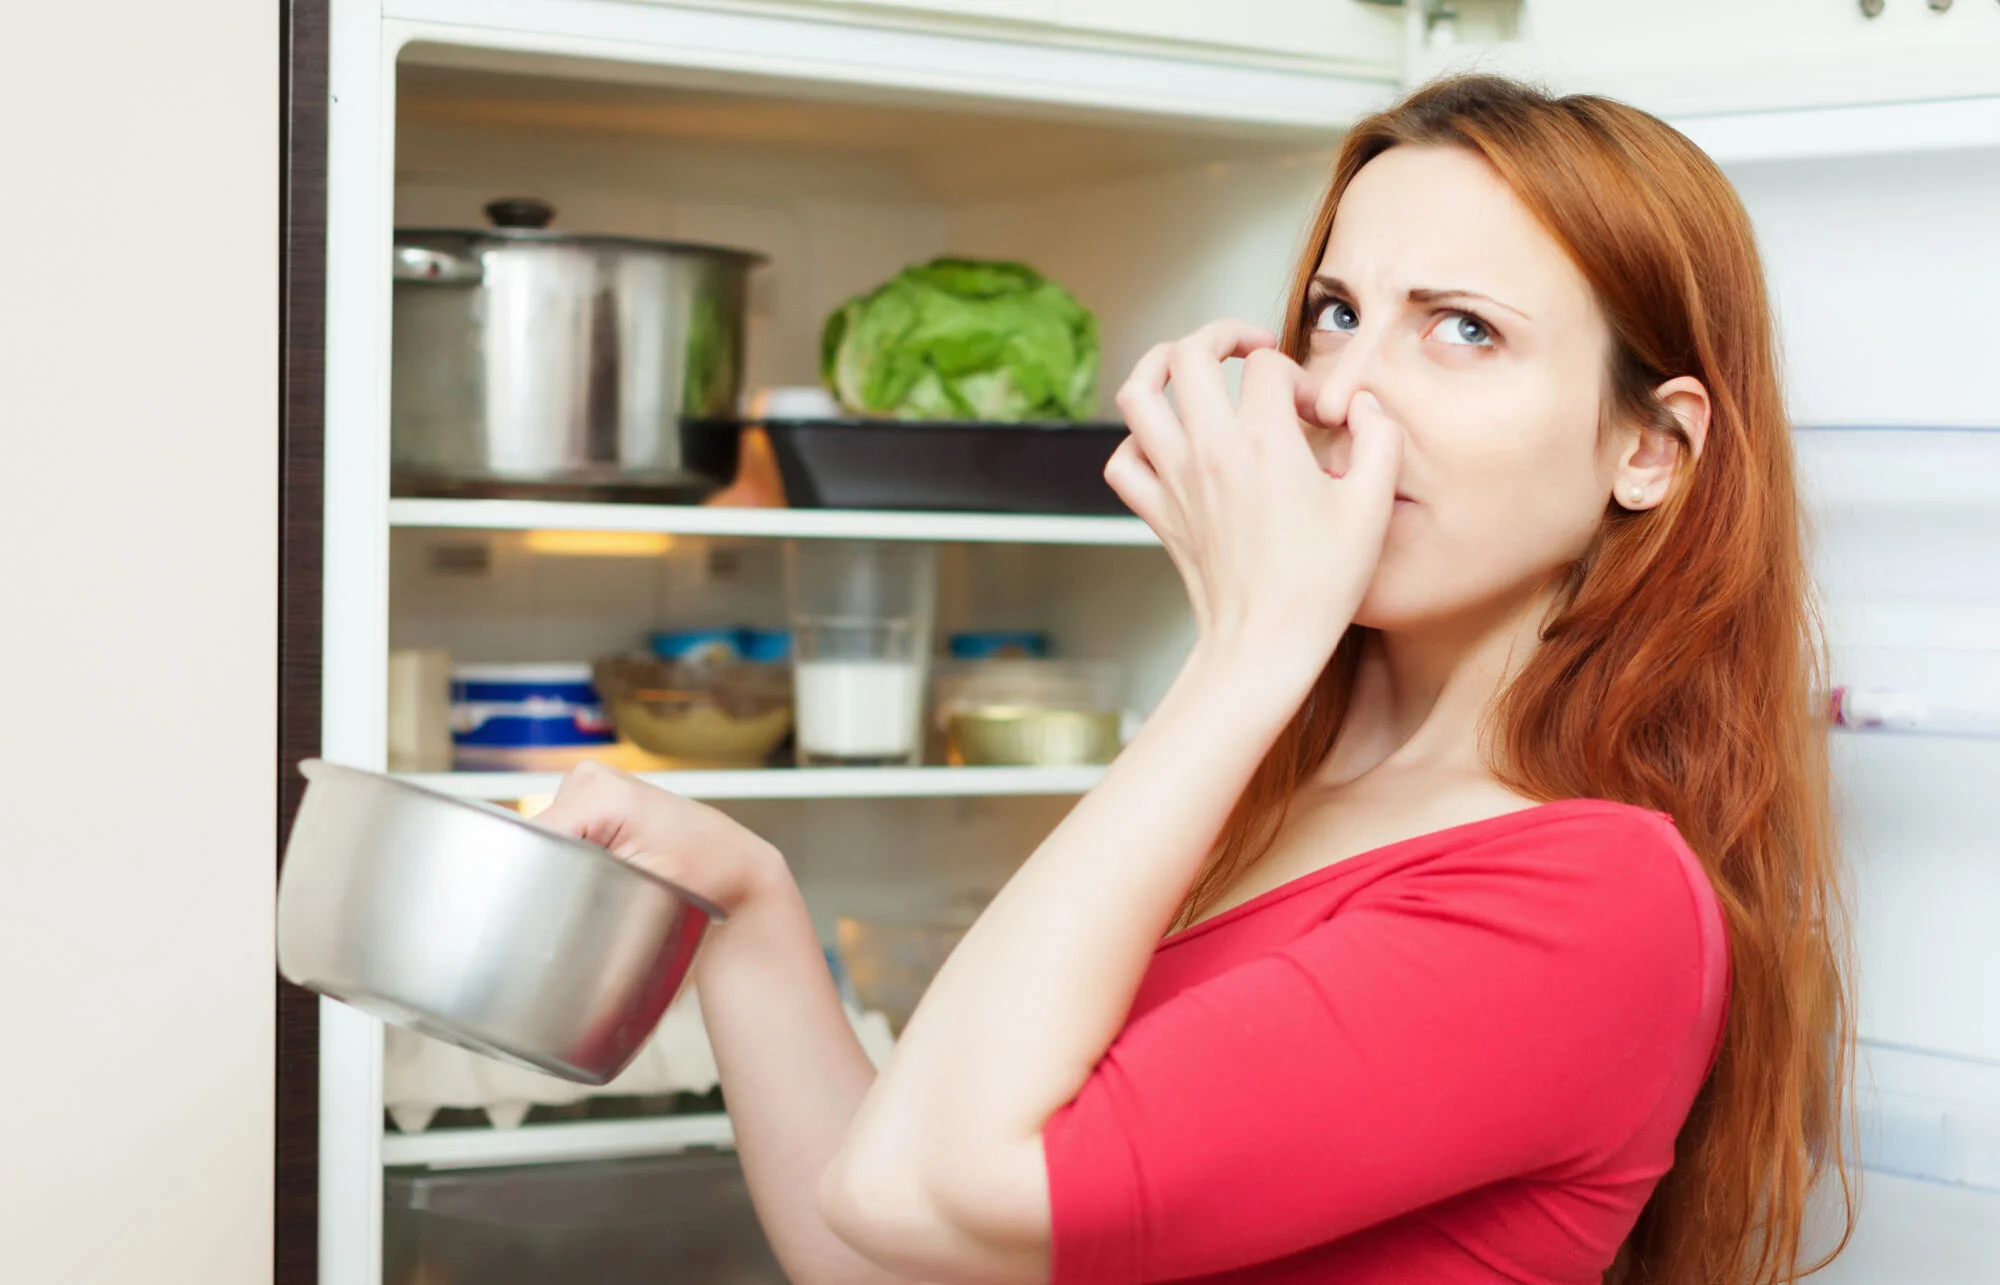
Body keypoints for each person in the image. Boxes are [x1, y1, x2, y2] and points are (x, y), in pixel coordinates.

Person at [535, 74, 1854, 1285]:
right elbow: (900, 1254)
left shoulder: (1593, 902)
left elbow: (918, 1193)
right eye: (1337, 315)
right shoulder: (1269, 795)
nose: (1342, 393)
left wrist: (1252, 645)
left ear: (1650, 449)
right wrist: (747, 905)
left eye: (1463, 330)